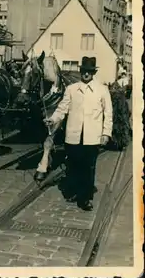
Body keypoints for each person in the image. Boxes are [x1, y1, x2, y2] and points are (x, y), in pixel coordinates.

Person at [44, 57, 113, 211]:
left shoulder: (102, 90)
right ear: (81, 72)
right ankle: (74, 192)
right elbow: (62, 108)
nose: (86, 74)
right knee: (73, 166)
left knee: (88, 168)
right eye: (84, 71)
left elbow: (108, 114)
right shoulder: (72, 89)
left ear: (93, 73)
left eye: (89, 72)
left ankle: (86, 197)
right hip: (73, 136)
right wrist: (53, 119)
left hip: (92, 137)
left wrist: (106, 133)